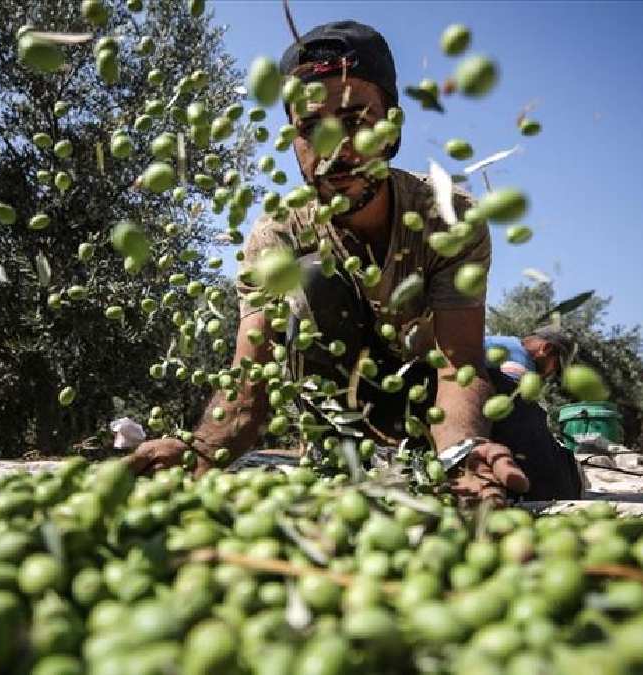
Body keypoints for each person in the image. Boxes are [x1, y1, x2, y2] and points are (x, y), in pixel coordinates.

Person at [130, 20, 574, 504]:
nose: (334, 150)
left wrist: (460, 449)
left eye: (357, 122)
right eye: (311, 128)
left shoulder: (448, 220)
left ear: (392, 128)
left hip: (434, 391)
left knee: (541, 480)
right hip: (346, 403)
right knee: (312, 275)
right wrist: (201, 450)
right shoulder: (276, 238)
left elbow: (456, 363)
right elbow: (251, 383)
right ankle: (346, 452)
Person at [484, 326, 585, 500]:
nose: (550, 375)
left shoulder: (505, 344)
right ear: (546, 349)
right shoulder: (519, 360)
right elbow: (517, 409)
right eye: (555, 368)